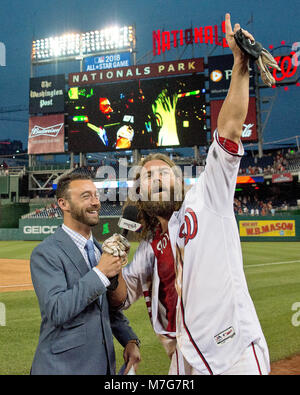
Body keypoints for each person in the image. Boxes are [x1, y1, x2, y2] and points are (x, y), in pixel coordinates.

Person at [119, 13, 270, 375]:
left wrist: (239, 65)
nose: (156, 178)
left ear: (180, 179)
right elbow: (121, 294)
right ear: (139, 194)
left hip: (234, 357)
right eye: (147, 176)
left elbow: (230, 128)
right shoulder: (150, 247)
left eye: (164, 172)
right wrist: (110, 257)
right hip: (184, 358)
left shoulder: (208, 193)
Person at [30, 171, 141, 375]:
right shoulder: (46, 253)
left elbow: (105, 307)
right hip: (63, 368)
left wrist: (129, 339)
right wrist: (100, 272)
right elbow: (56, 310)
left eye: (96, 195)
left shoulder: (100, 251)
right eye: (86, 196)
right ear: (64, 204)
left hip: (102, 366)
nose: (95, 202)